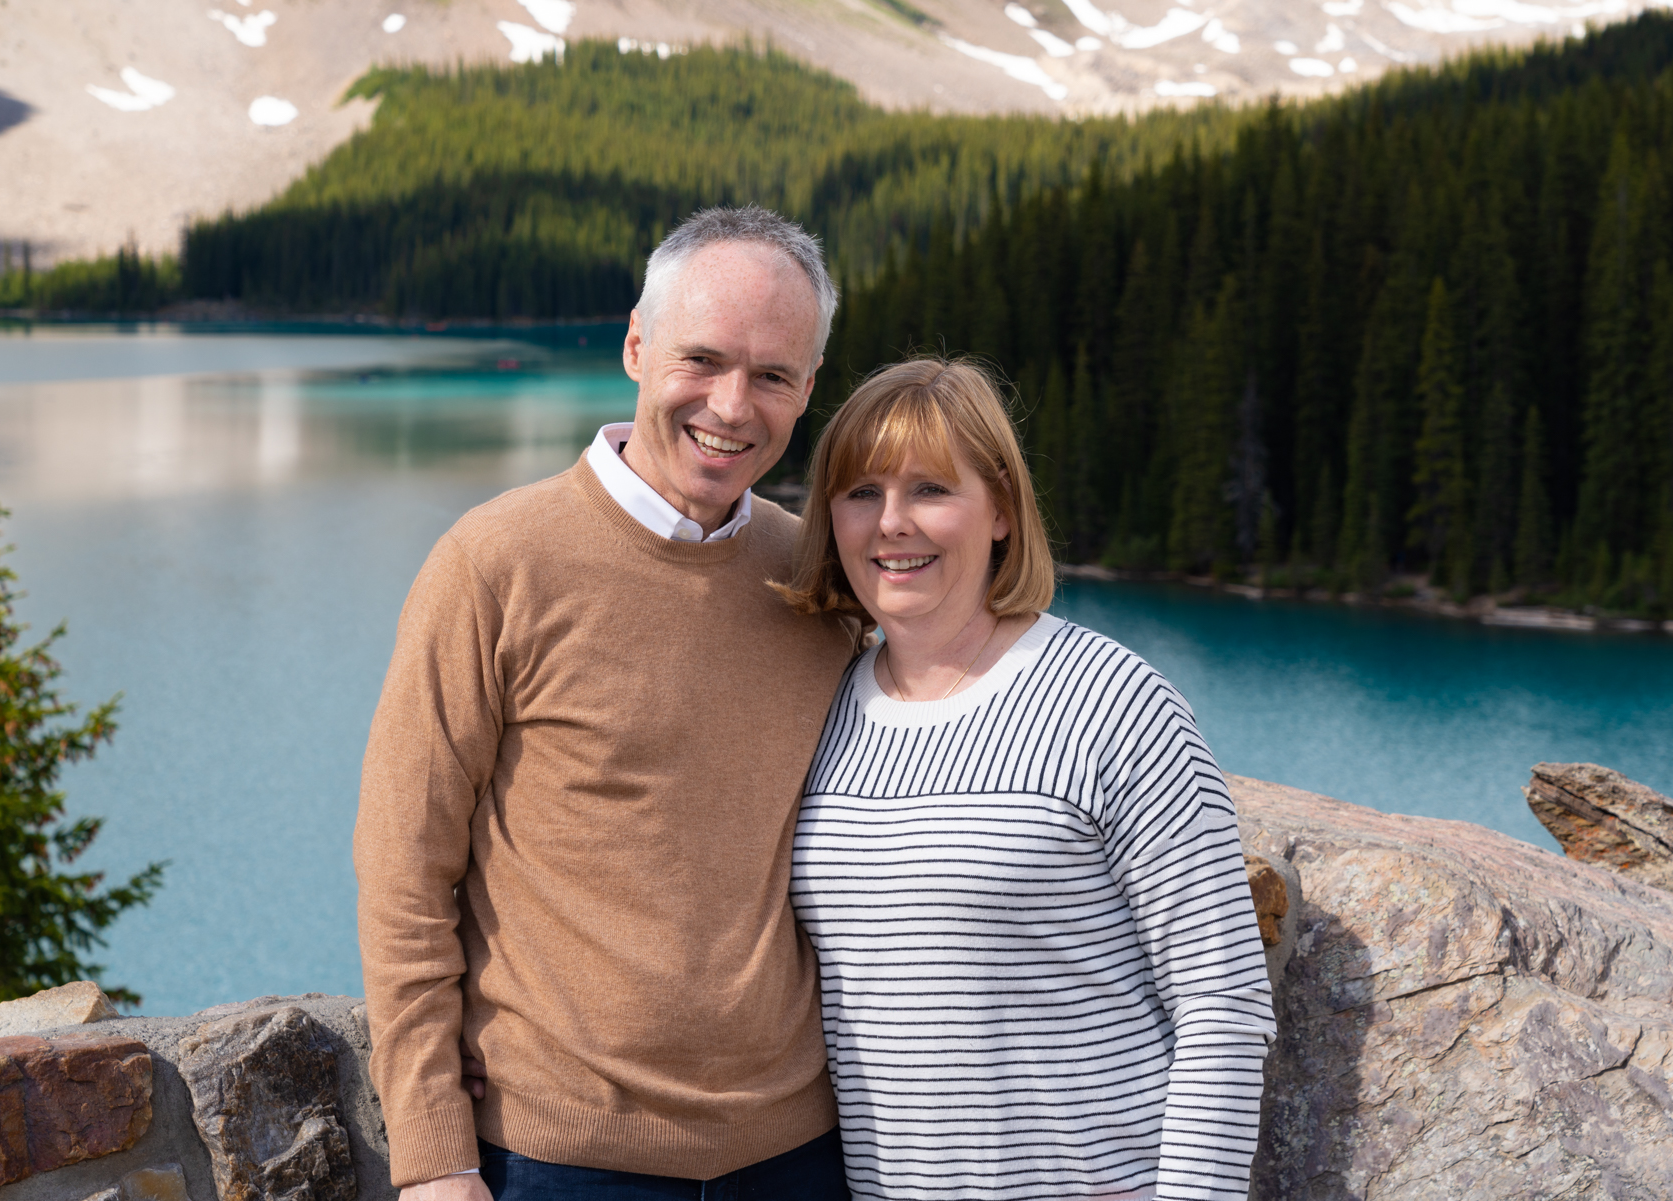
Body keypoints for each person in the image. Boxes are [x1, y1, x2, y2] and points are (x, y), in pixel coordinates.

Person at [354, 206, 862, 1201]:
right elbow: (402, 871)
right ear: (636, 344)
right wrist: (433, 1160)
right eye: (701, 359)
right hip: (559, 1161)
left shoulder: (817, 582)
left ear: (807, 388)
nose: (730, 403)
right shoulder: (493, 563)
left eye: (771, 375)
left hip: (800, 1157)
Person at [779, 358, 1276, 1200]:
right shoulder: (822, 712)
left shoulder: (1115, 702)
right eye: (861, 492)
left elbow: (1222, 1004)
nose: (891, 523)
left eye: (931, 489)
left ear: (1002, 509)